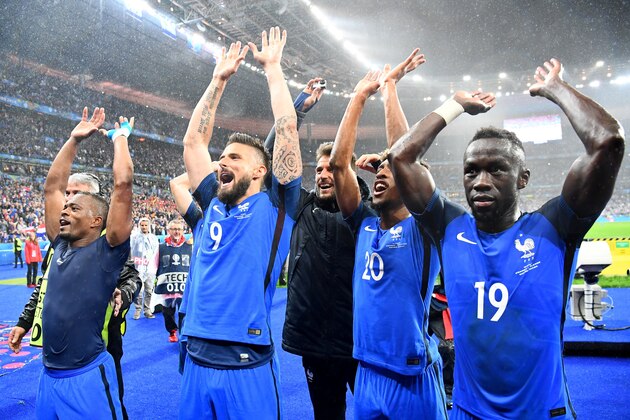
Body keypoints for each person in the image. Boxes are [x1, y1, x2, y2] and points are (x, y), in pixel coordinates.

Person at [388, 58, 625, 419]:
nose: (480, 181)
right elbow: (401, 157)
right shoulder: (448, 227)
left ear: (523, 178)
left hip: (542, 412)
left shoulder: (556, 226)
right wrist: (454, 105)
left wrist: (556, 89)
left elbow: (607, 142)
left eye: (496, 169)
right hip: (469, 412)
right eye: (471, 171)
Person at [179, 27, 302, 419]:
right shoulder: (211, 205)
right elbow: (193, 144)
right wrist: (218, 80)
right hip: (195, 355)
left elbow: (285, 131)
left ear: (261, 170)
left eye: (234, 157)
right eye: (223, 156)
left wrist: (273, 71)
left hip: (246, 360)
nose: (223, 162)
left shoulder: (276, 207)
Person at [329, 50, 447, 419]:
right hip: (365, 372)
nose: (380, 173)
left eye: (390, 171)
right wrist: (359, 97)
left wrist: (390, 89)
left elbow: (406, 156)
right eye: (378, 170)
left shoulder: (423, 229)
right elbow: (337, 165)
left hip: (412, 377)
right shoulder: (364, 224)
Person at [265, 78, 364, 420]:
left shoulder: (366, 214)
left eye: (331, 168)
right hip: (316, 345)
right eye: (318, 169)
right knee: (327, 415)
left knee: (374, 413)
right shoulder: (301, 207)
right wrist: (297, 111)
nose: (323, 174)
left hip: (361, 342)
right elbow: (269, 166)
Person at [8, 170, 140, 420]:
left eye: (76, 194)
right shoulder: (60, 241)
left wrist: (123, 293)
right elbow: (45, 285)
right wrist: (24, 323)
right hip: (61, 353)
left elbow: (132, 277)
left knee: (109, 401)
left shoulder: (106, 240)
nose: (67, 200)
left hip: (101, 346)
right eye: (66, 193)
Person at [32, 106, 134, 418]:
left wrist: (119, 139)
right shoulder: (59, 244)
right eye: (66, 206)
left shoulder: (109, 249)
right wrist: (74, 140)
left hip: (87, 376)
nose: (65, 210)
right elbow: (52, 188)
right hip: (48, 378)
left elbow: (123, 185)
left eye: (75, 208)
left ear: (96, 221)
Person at [150, 218, 193, 343]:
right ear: (168, 231)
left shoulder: (190, 247)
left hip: (183, 288)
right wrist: (153, 280)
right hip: (166, 288)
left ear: (183, 231)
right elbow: (153, 265)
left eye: (179, 229)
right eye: (174, 229)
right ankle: (172, 331)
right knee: (167, 313)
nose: (177, 232)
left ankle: (183, 333)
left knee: (183, 312)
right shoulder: (161, 247)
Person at [131, 216, 160, 319]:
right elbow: (132, 252)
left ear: (149, 226)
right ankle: (137, 309)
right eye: (142, 225)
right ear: (139, 226)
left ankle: (147, 310)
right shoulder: (134, 238)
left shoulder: (154, 238)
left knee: (149, 290)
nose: (144, 227)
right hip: (138, 267)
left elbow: (157, 253)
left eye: (145, 225)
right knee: (138, 290)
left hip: (151, 269)